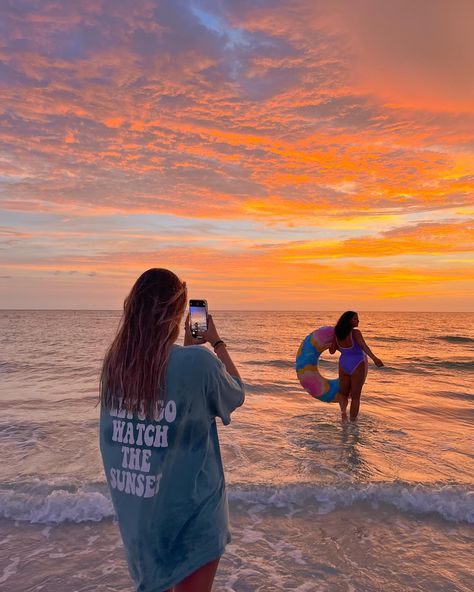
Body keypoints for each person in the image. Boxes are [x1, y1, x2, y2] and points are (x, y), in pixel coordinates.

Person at [99, 268, 244, 592]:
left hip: (142, 522)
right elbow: (235, 393)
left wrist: (188, 349)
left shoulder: (115, 366)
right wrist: (215, 343)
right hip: (194, 517)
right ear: (178, 312)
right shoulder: (198, 364)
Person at [329, 311, 383, 422]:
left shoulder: (337, 334)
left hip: (344, 363)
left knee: (343, 394)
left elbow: (331, 351)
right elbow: (363, 346)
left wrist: (339, 347)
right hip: (357, 363)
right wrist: (374, 358)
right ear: (348, 321)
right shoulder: (356, 333)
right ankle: (353, 423)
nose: (358, 321)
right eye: (355, 319)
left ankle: (343, 416)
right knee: (355, 397)